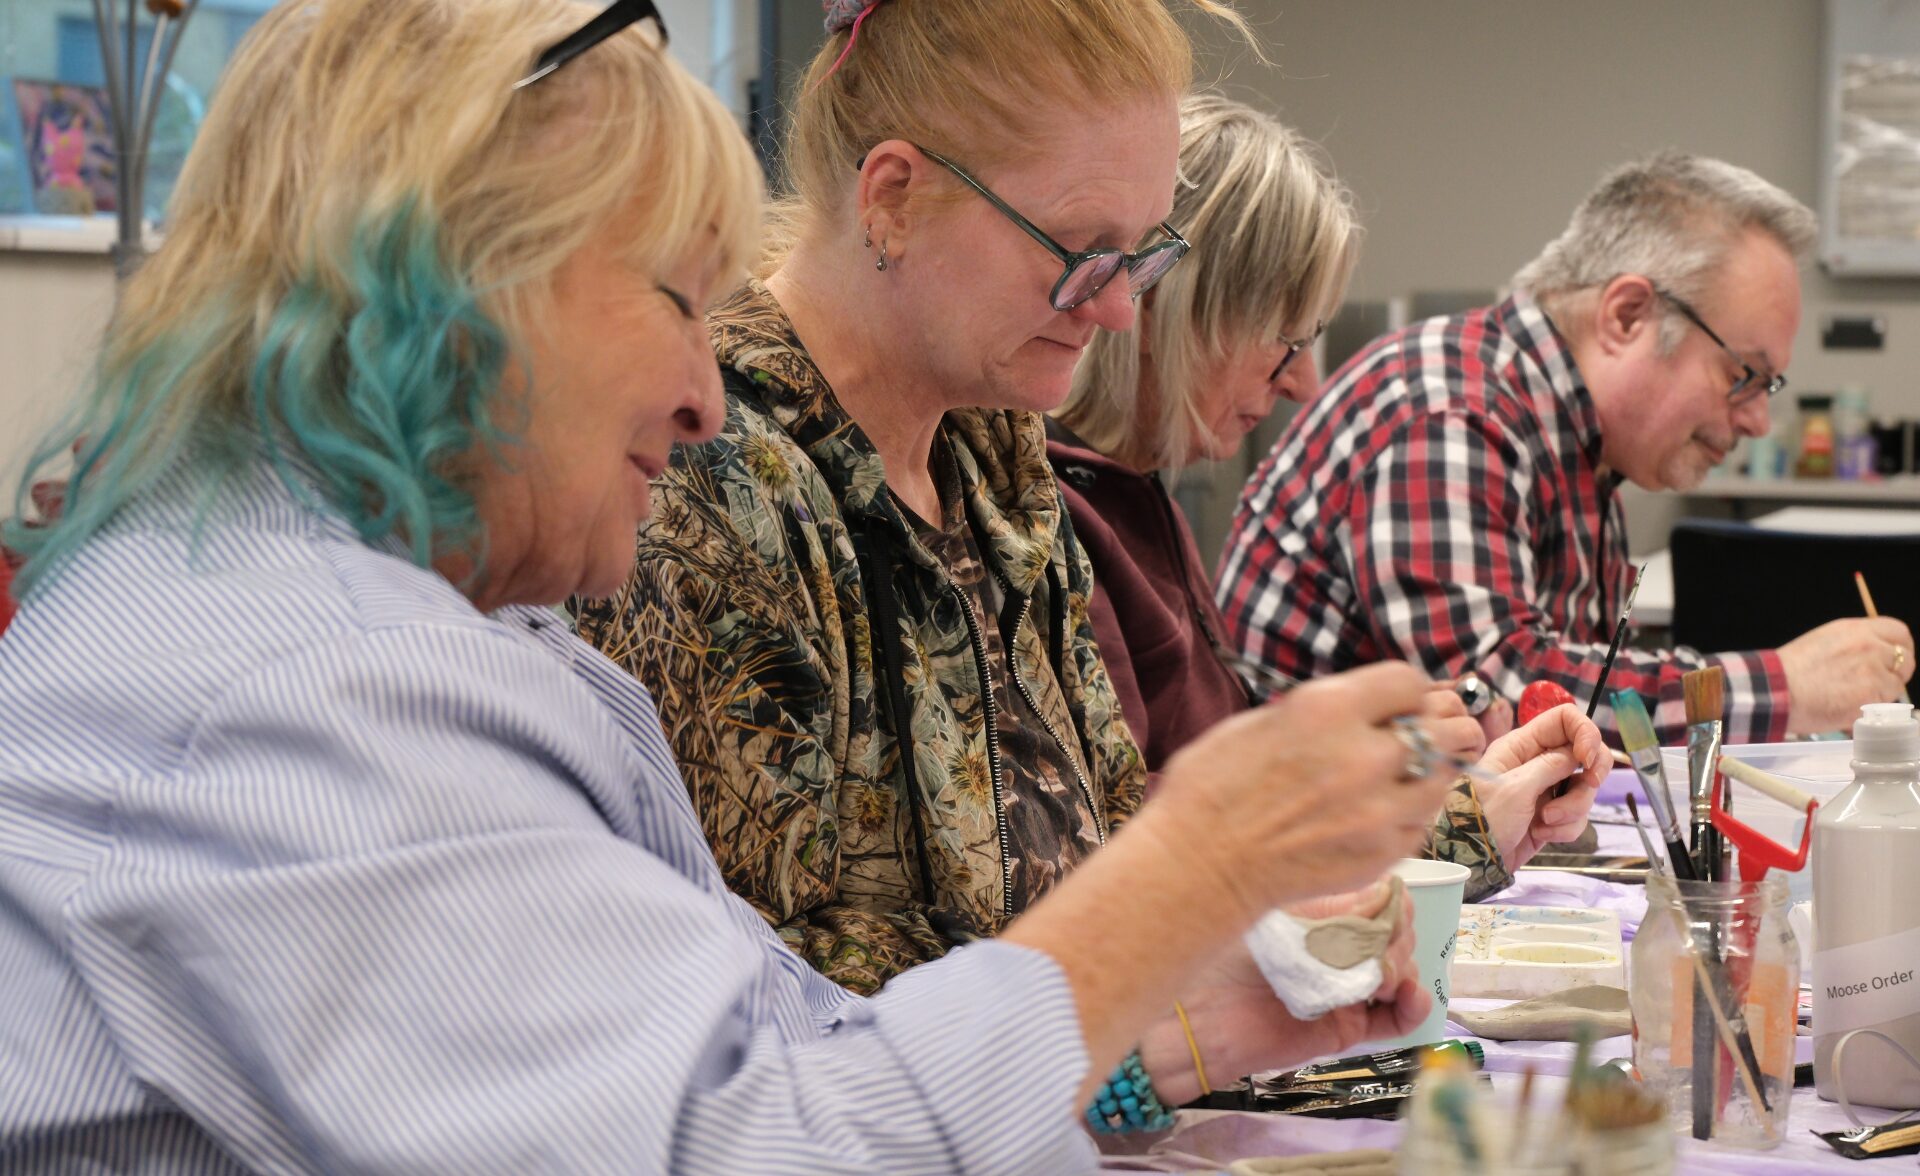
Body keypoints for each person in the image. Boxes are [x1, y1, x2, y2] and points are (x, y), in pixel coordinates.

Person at [0, 0, 1496, 1168]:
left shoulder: (411, 627)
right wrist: (1194, 868)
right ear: (463, 288)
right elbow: (765, 1144)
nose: (707, 391)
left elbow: (778, 1048)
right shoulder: (308, 695)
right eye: (673, 294)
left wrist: (1162, 1031)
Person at [577, 0, 1605, 998]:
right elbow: (765, 990)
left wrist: (1463, 823)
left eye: (1141, 255)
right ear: (892, 197)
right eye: (1078, 252)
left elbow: (1105, 857)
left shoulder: (992, 457)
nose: (1117, 308)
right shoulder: (712, 474)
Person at [1047, 93, 1578, 901]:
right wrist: (1349, 766)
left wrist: (1461, 813)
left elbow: (1226, 817)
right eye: (1285, 341)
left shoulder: (1138, 499)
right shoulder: (1057, 525)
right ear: (1175, 308)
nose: (1303, 382)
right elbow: (1120, 860)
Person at [1216, 151, 1916, 745]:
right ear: (1627, 315)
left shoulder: (1575, 440)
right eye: (1743, 375)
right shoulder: (1451, 410)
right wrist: (1784, 686)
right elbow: (1501, 703)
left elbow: (1578, 683)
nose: (1759, 419)